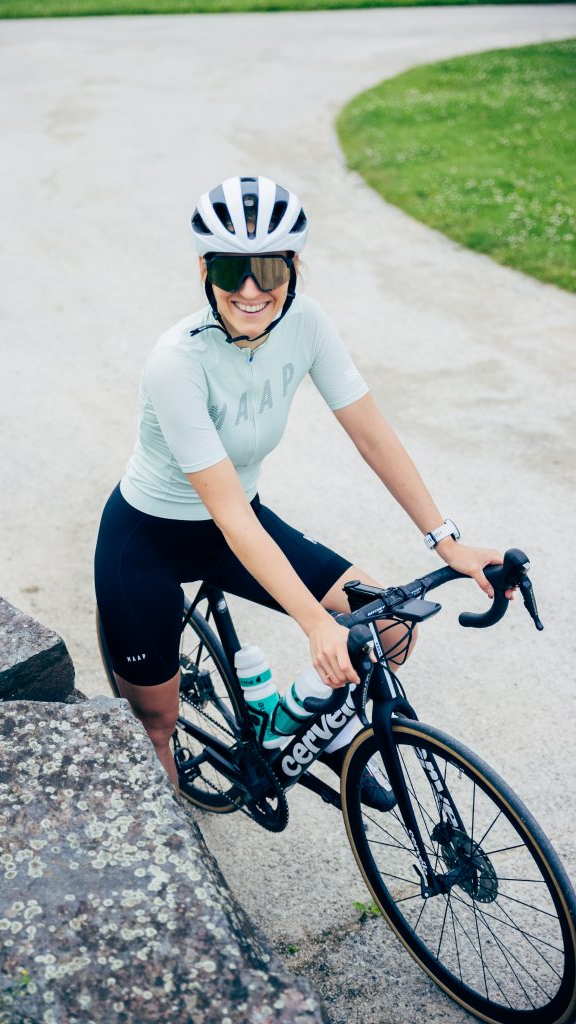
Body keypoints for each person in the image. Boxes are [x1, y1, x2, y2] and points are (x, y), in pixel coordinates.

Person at [94, 174, 506, 800]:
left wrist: (446, 541)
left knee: (391, 629)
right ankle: (187, 874)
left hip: (241, 529)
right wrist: (314, 623)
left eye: (268, 268)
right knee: (157, 725)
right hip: (146, 544)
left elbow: (372, 435)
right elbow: (229, 514)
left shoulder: (307, 323)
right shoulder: (175, 363)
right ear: (205, 270)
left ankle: (331, 734)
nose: (252, 290)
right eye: (233, 271)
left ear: (293, 267)